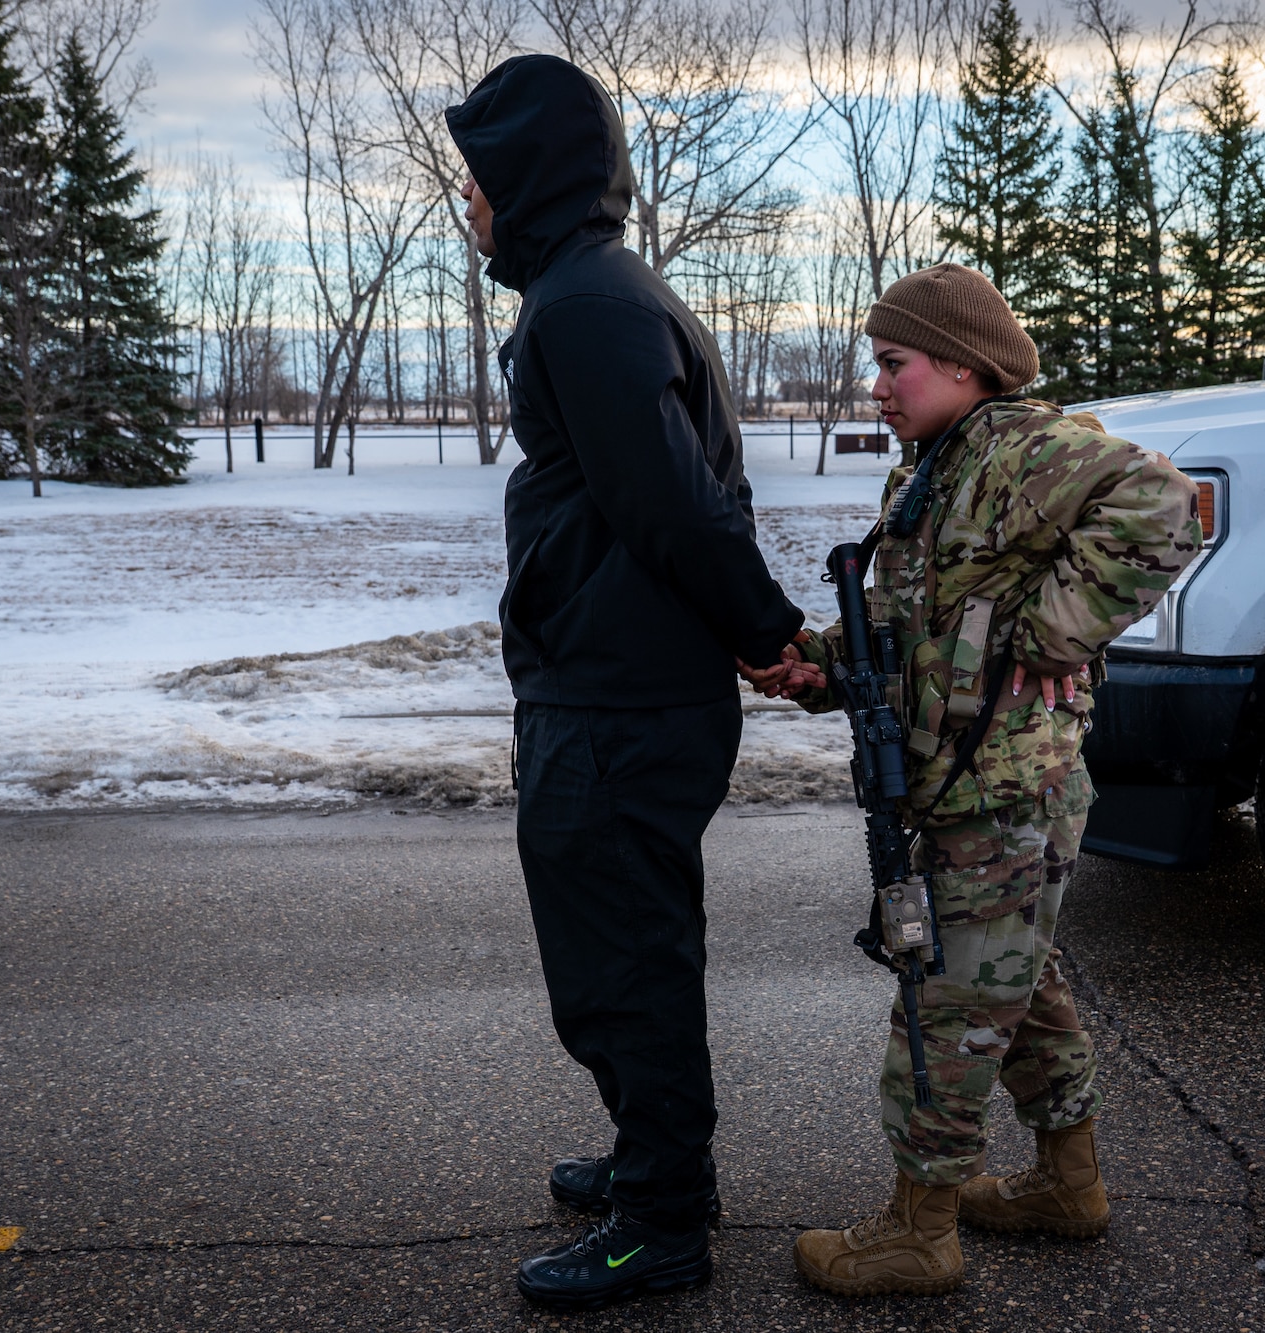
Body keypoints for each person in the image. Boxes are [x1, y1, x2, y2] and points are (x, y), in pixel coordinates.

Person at [744, 263, 1203, 1296]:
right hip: (975, 784)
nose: (877, 385)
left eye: (892, 363)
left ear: (959, 363)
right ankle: (1067, 1183)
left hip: (1001, 794)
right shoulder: (939, 463)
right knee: (1016, 983)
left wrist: (1060, 624)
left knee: (945, 1002)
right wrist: (823, 663)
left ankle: (920, 1230)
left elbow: (1169, 503)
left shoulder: (1018, 445)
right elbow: (929, 628)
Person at [444, 55, 804, 1310]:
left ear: (526, 177)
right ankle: (657, 1165)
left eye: (478, 181)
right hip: (612, 688)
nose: (468, 206)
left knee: (624, 965)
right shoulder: (589, 291)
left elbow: (672, 505)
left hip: (617, 704)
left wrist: (765, 630)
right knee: (621, 954)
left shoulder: (586, 304)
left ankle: (660, 1221)